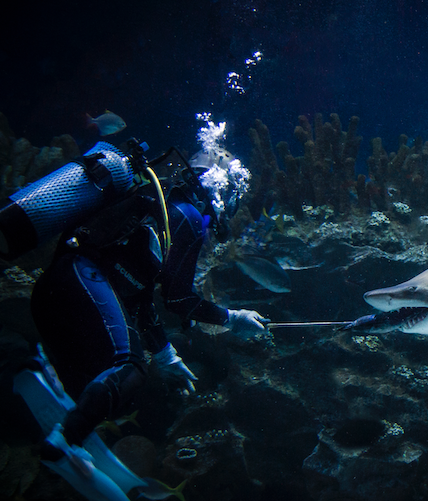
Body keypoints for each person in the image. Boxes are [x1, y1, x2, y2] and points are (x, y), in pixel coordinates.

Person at [31, 145, 266, 464]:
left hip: (57, 290)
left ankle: (37, 371)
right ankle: (65, 441)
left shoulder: (155, 204)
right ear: (216, 188)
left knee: (104, 374)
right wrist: (232, 317)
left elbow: (139, 292)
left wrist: (166, 355)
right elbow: (178, 299)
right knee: (130, 367)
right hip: (80, 277)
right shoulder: (187, 215)